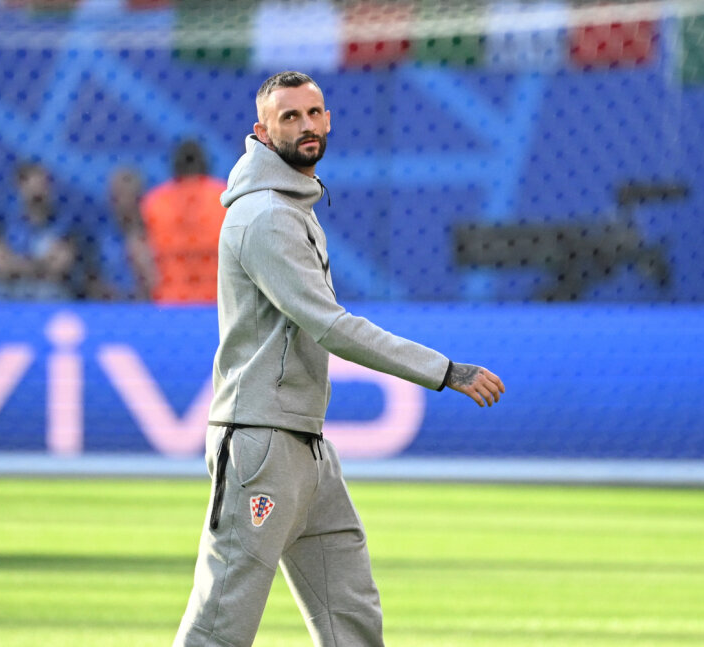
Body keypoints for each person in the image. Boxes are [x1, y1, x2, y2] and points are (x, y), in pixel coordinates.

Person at [174, 71, 506, 647]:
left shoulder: (293, 205)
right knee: (220, 626)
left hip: (305, 443)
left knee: (350, 616)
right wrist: (444, 371)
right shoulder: (265, 216)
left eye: (314, 113)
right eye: (289, 117)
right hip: (261, 445)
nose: (306, 125)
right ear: (262, 132)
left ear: (327, 119)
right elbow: (330, 326)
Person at [0, 161, 110, 300]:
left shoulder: (69, 226)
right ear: (19, 188)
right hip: (11, 290)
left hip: (51, 290)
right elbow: (0, 266)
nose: (37, 192)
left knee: (49, 293)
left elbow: (59, 268)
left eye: (42, 185)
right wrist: (41, 264)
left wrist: (16, 263)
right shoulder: (2, 224)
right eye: (31, 187)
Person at [140, 139, 228, 303]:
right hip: (218, 300)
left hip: (170, 300)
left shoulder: (155, 201)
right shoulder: (225, 197)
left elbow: (141, 252)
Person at [109, 167, 158, 301]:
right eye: (117, 195)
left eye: (127, 195)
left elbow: (156, 281)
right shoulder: (102, 233)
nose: (122, 201)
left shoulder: (154, 235)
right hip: (107, 303)